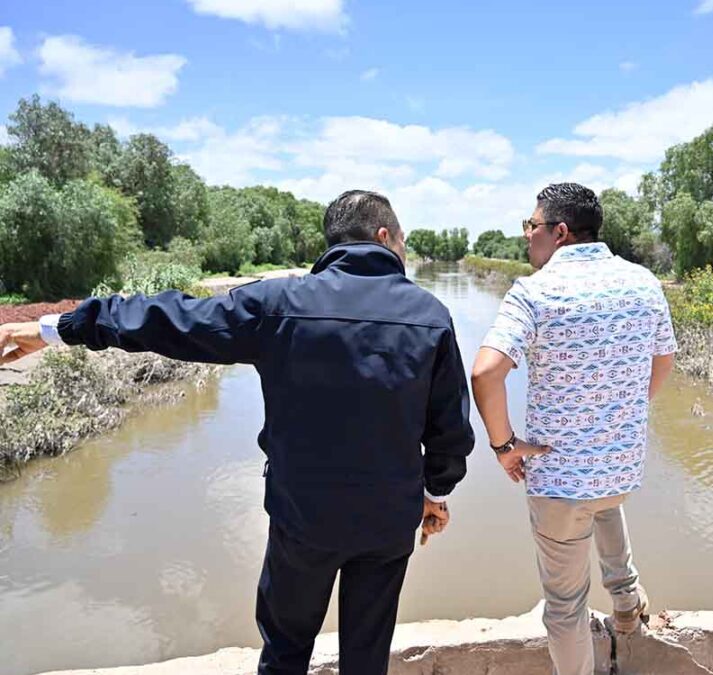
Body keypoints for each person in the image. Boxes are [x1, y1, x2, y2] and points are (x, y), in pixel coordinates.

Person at [0, 190, 475, 675]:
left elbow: (170, 319)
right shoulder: (429, 316)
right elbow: (450, 432)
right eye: (403, 241)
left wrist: (55, 329)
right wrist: (435, 492)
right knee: (367, 655)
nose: (404, 250)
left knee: (286, 651)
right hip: (386, 519)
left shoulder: (277, 304)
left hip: (302, 517)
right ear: (383, 237)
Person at [471, 183, 677, 675]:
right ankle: (627, 607)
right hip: (619, 469)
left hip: (560, 482)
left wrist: (504, 446)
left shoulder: (535, 291)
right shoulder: (643, 282)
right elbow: (664, 358)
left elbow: (485, 371)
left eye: (532, 226)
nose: (527, 237)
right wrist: (626, 408)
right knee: (603, 504)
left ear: (559, 232)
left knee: (565, 606)